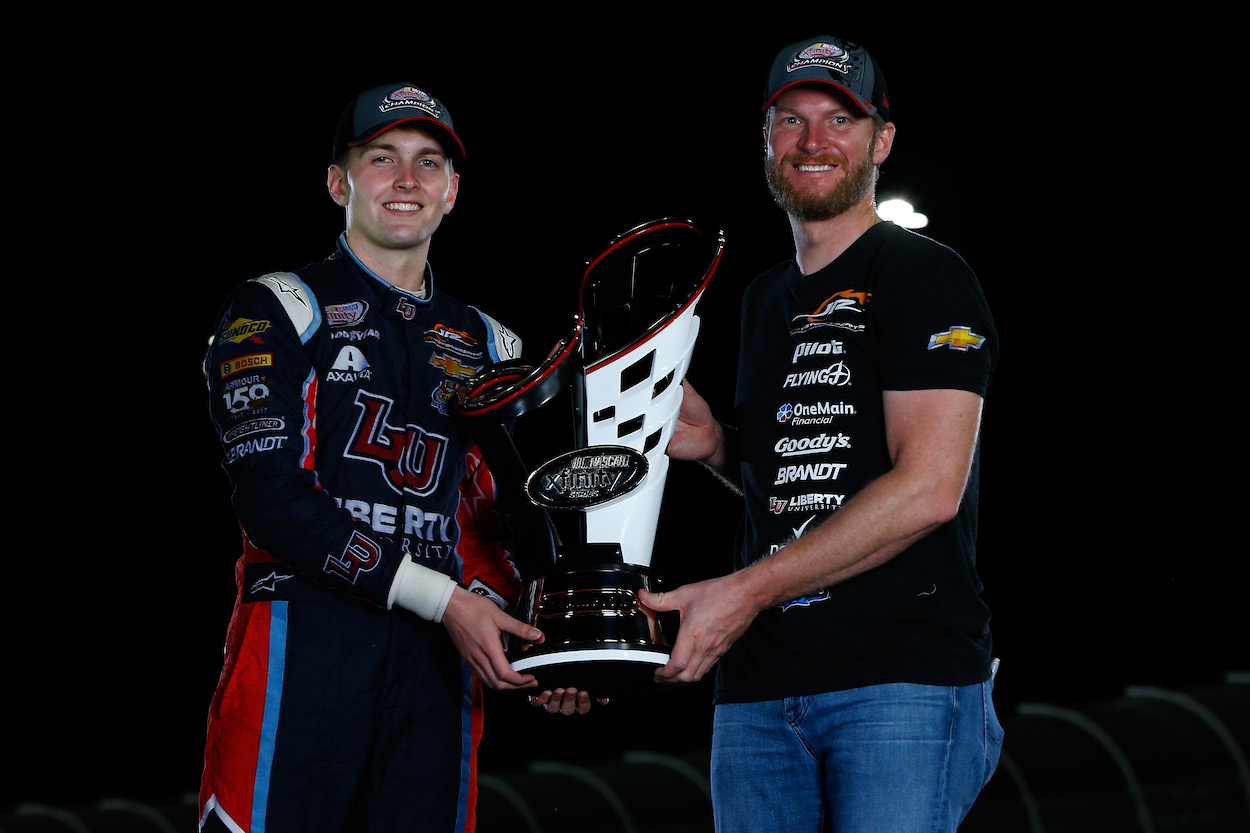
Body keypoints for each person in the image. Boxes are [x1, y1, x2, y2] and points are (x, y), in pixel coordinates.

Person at [198, 82, 588, 833]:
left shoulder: (493, 345)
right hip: (301, 638)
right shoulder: (276, 306)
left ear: (452, 192)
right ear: (339, 181)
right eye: (383, 158)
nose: (407, 180)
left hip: (436, 669)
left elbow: (502, 532)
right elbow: (272, 499)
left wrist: (554, 646)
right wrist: (444, 599)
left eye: (428, 162)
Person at [639, 36, 1004, 831]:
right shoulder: (765, 299)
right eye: (791, 121)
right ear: (766, 141)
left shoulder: (922, 274)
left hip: (899, 681)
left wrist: (741, 592)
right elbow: (810, 474)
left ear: (882, 139)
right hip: (761, 690)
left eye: (840, 120)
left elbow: (928, 489)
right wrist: (719, 447)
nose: (813, 142)